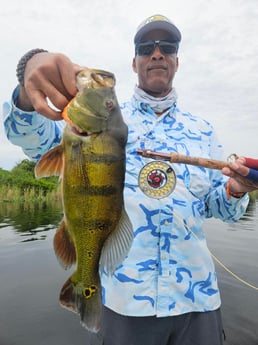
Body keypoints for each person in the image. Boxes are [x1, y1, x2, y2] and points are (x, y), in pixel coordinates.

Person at [3, 14, 258, 345]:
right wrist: (29, 77)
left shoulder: (203, 130)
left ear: (177, 61)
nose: (156, 53)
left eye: (167, 46)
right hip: (124, 299)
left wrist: (236, 191)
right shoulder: (102, 118)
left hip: (198, 297)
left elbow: (217, 207)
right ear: (134, 61)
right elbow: (31, 139)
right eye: (146, 47)